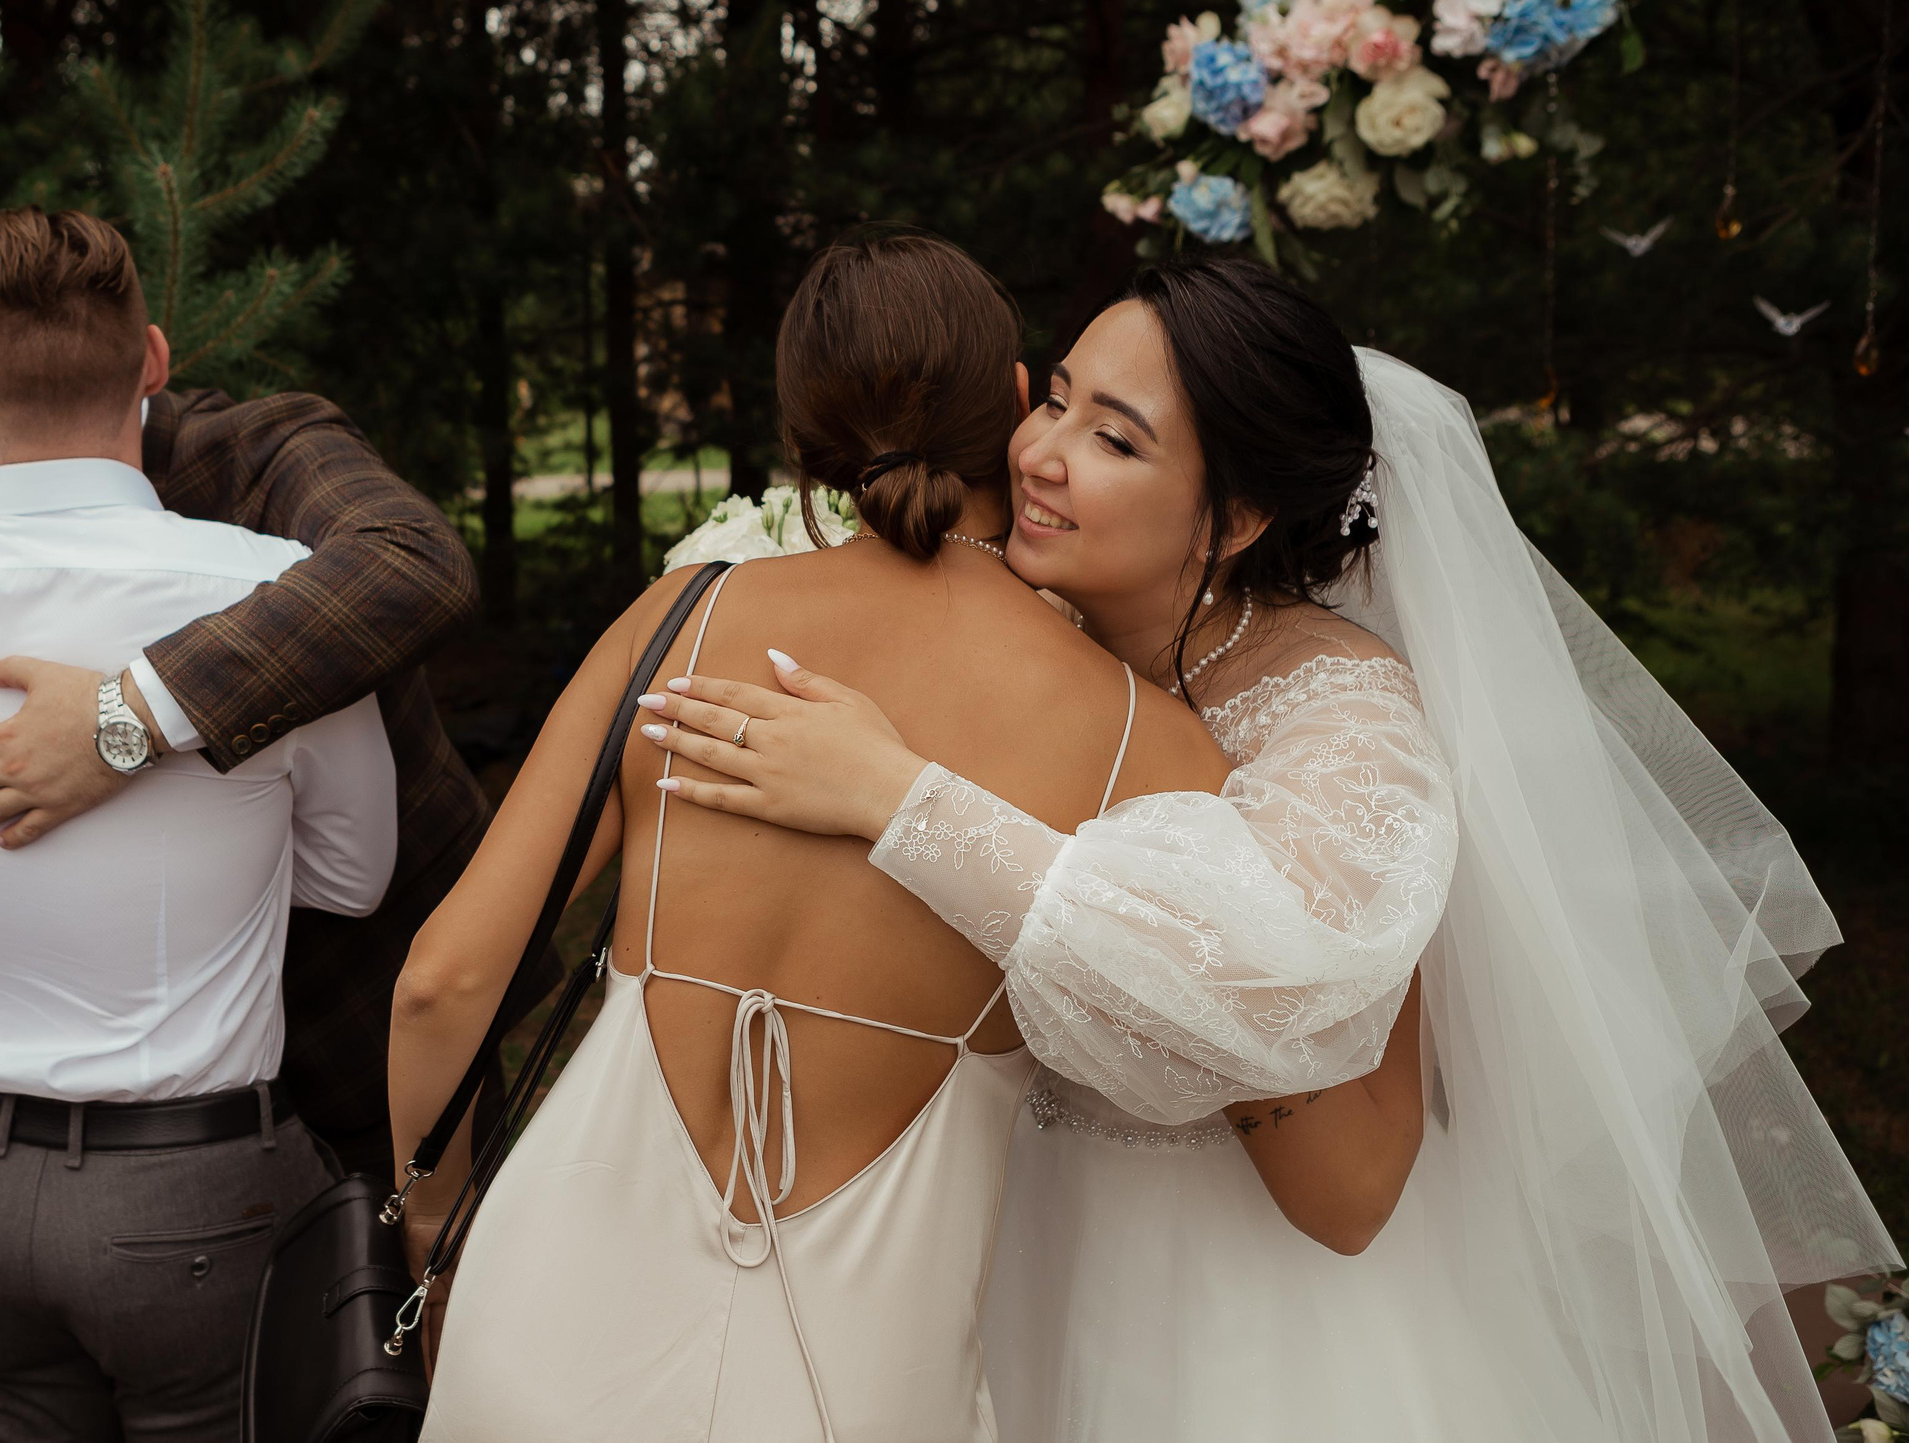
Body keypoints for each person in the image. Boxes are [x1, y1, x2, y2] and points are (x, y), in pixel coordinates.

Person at [638, 256, 1898, 1442]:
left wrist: (906, 804)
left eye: (1113, 439)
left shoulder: (1342, 719)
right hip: (968, 1261)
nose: (1041, 457)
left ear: (1235, 513)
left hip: (1231, 1323)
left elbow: (1348, 1191)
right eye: (1058, 402)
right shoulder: (1012, 641)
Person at [388, 233, 1232, 1442]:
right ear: (1008, 406)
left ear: (802, 443)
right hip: (864, 1375)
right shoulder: (1147, 744)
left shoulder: (682, 619)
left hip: (543, 1314)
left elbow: (442, 981)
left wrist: (435, 1227)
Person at [0, 207, 401, 1441]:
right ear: (154, 363)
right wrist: (200, 826)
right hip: (199, 1194)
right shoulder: (269, 593)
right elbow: (354, 877)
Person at [0, 213, 499, 1178]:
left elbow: (412, 566)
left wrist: (121, 721)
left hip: (377, 1005)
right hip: (169, 1117)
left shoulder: (258, 452)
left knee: (425, 1311)